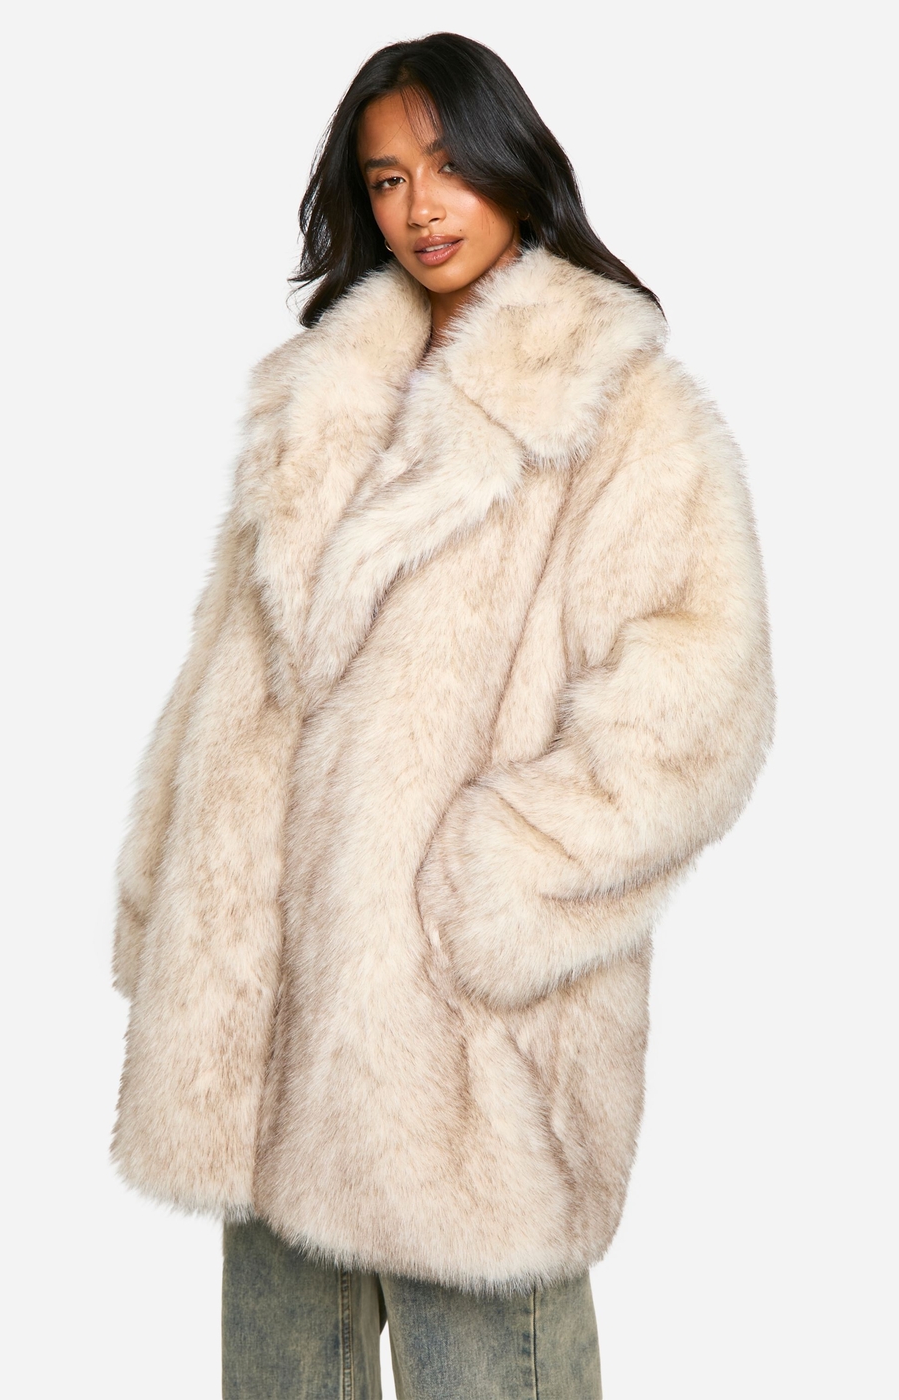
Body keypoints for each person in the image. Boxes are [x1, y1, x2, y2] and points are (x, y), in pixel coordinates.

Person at [110, 32, 774, 1400]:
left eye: (448, 164)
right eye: (387, 178)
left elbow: (701, 698)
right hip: (271, 1011)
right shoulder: (315, 399)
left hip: (465, 1036)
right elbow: (222, 671)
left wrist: (500, 884)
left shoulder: (618, 411)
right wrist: (170, 894)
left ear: (515, 168)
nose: (421, 206)